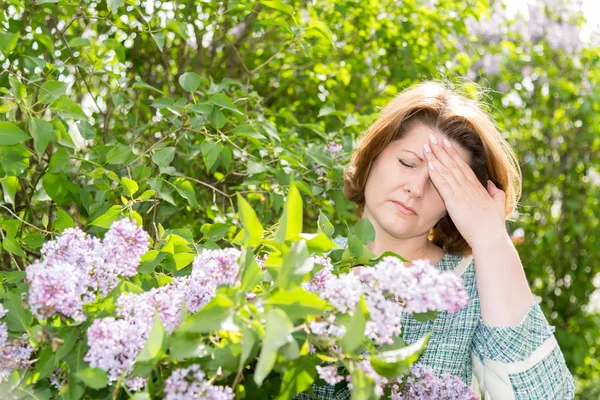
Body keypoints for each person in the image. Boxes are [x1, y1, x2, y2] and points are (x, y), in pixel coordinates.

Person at [302, 81, 575, 399]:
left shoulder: (468, 286)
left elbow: (545, 395)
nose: (416, 188)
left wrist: (490, 238)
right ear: (374, 154)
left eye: (440, 182)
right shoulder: (304, 260)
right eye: (407, 163)